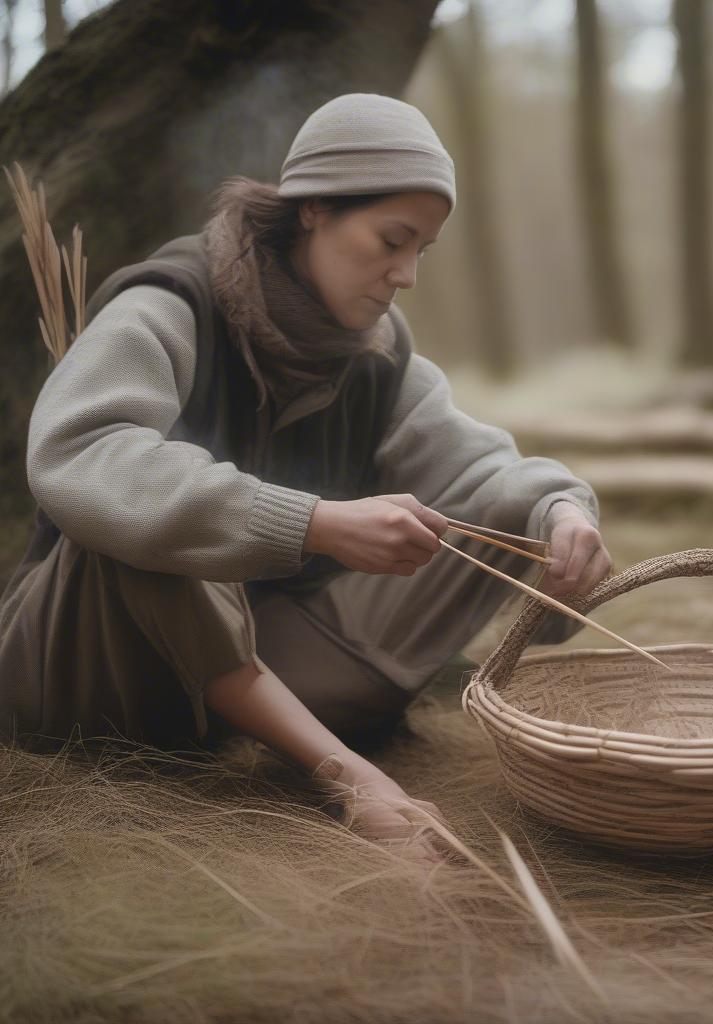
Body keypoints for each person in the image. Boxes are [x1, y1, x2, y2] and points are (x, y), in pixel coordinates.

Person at [0, 93, 612, 862]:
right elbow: (81, 453)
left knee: (499, 506)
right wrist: (313, 522)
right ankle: (346, 770)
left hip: (264, 655)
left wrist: (561, 514)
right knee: (146, 512)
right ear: (314, 210)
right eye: (393, 240)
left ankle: (286, 719)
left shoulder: (377, 353)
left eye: (423, 249)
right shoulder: (170, 305)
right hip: (89, 671)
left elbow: (482, 467)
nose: (408, 274)